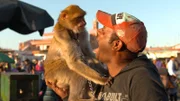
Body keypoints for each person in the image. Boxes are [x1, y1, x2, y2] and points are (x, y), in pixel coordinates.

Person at [46, 10, 169, 101]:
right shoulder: (104, 74)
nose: (98, 32)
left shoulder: (143, 80)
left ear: (116, 45)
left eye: (104, 31)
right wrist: (67, 96)